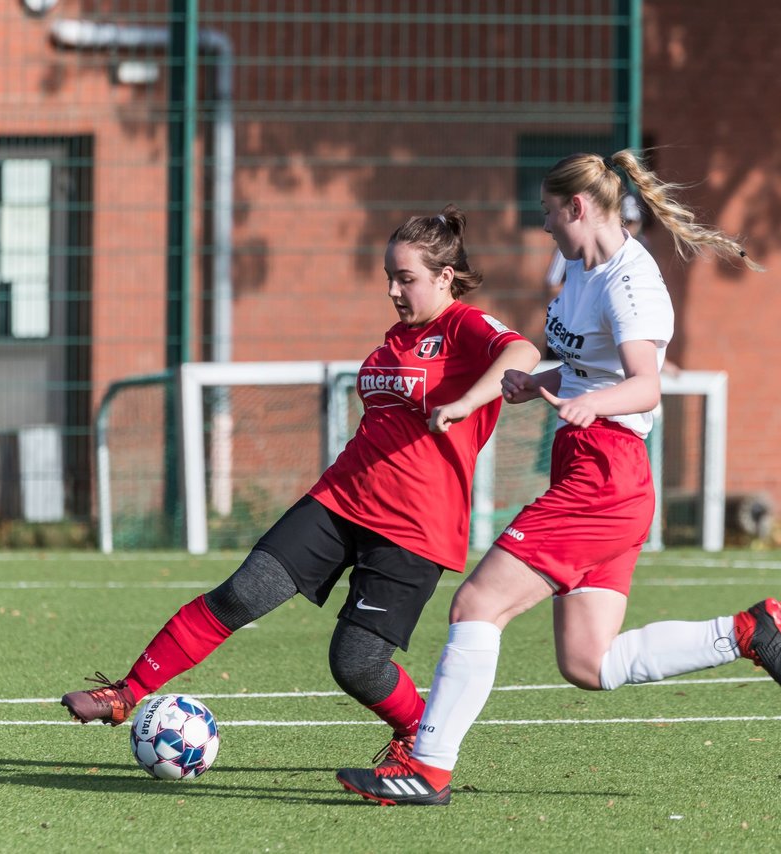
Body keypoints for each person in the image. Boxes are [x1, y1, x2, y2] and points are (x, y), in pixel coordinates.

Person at [335, 151, 781, 807]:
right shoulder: (586, 273)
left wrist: (591, 406)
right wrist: (544, 383)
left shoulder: (630, 283)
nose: (546, 228)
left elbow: (643, 386)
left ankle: (429, 768)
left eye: (549, 216)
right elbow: (593, 369)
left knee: (477, 605)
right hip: (600, 473)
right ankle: (744, 634)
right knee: (589, 663)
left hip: (605, 475)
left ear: (578, 208)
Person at [61, 205, 541, 769]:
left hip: (415, 527)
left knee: (356, 663)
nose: (392, 289)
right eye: (388, 276)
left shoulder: (462, 326)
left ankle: (417, 730)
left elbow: (523, 353)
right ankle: (126, 693)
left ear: (444, 277)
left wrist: (462, 404)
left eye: (405, 278)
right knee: (240, 593)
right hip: (340, 500)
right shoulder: (394, 340)